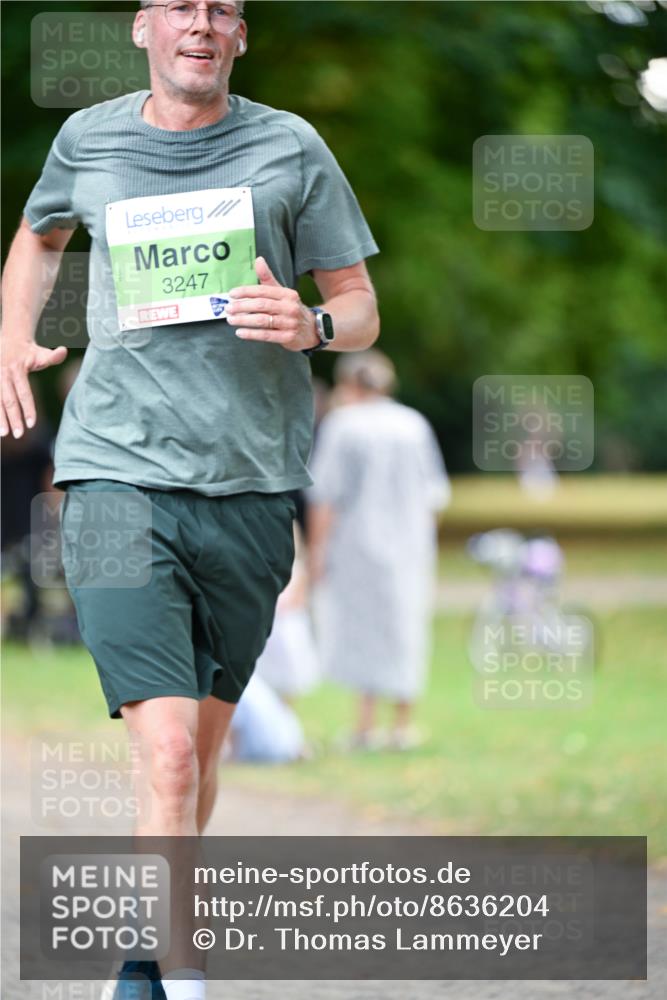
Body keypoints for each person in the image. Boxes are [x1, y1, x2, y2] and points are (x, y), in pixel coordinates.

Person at [1, 2, 379, 997]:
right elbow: (37, 239)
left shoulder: (290, 147)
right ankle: (178, 976)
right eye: (182, 7)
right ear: (144, 29)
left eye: (222, 9)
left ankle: (146, 939)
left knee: (199, 756)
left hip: (250, 485)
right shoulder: (89, 137)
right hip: (115, 472)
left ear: (239, 37)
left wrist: (311, 323)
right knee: (166, 753)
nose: (201, 23)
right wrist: (12, 336)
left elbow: (360, 307)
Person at [308, 350, 449, 752]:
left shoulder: (343, 425)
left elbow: (326, 496)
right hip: (409, 546)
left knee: (361, 630)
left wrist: (317, 553)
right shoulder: (413, 424)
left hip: (356, 545)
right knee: (405, 627)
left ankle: (365, 725)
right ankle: (403, 724)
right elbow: (433, 494)